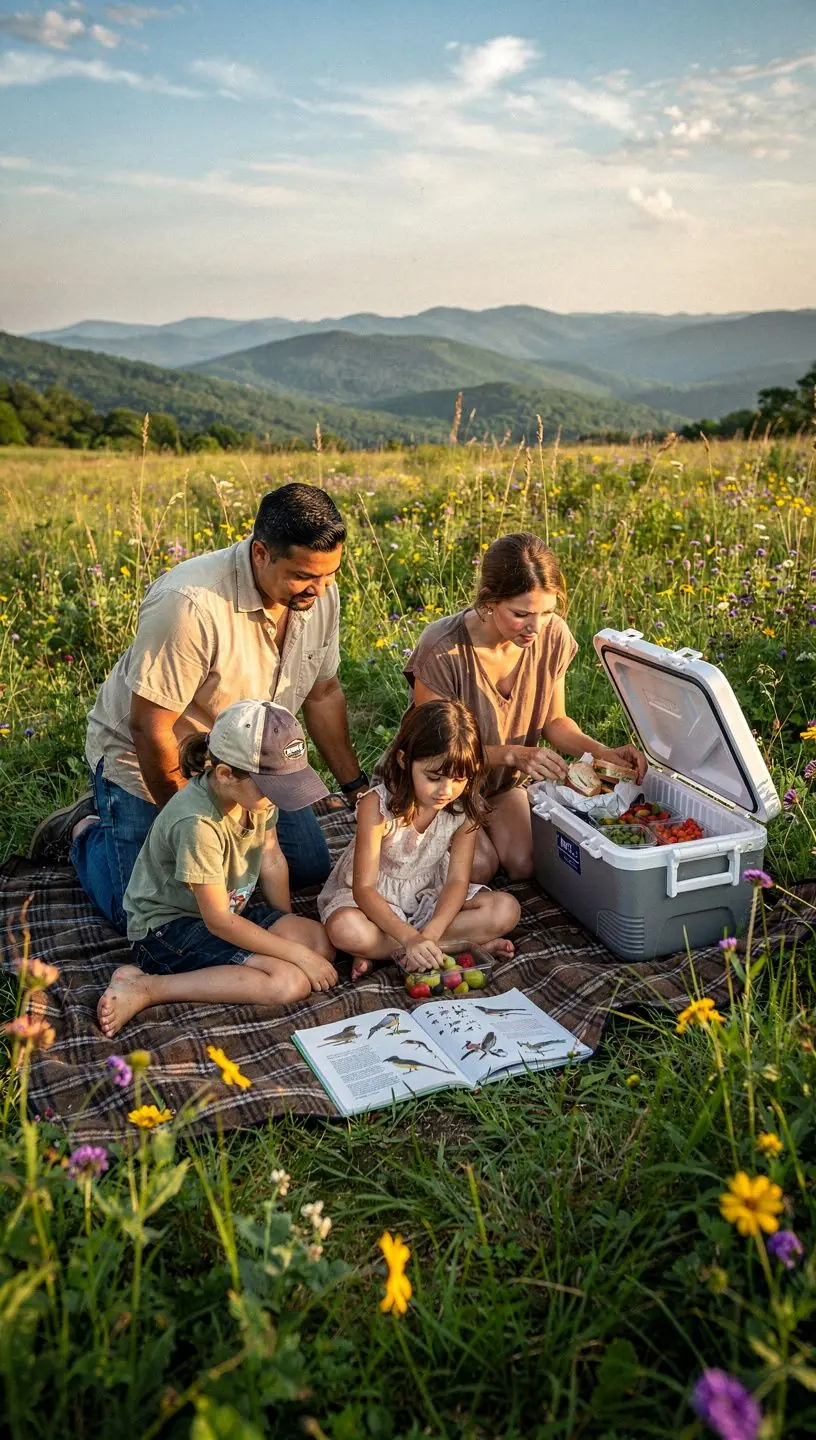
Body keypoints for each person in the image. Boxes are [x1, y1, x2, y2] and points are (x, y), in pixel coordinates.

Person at [31, 483, 371, 931]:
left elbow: (323, 694)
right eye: (305, 576)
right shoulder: (189, 603)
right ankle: (85, 830)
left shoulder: (320, 593)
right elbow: (149, 729)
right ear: (261, 554)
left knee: (307, 868)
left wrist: (357, 791)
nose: (320, 589)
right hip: (155, 760)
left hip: (252, 762)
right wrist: (195, 825)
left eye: (329, 575)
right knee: (141, 911)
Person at [403, 532, 647, 882]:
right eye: (521, 614)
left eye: (547, 612)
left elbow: (555, 722)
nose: (536, 627)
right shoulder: (442, 648)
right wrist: (513, 755)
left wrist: (602, 753)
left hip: (499, 785)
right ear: (488, 602)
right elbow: (438, 754)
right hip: (440, 786)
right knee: (477, 867)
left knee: (527, 862)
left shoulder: (553, 634)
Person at [97, 699, 338, 1039]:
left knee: (318, 942)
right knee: (289, 981)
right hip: (169, 930)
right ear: (225, 774)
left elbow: (270, 858)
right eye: (273, 788)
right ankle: (148, 987)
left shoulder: (256, 798)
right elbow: (218, 921)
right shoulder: (197, 823)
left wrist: (281, 925)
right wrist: (292, 955)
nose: (280, 797)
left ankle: (260, 958)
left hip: (223, 914)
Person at [318, 699, 521, 981]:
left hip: (429, 895)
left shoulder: (463, 808)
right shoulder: (376, 807)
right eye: (433, 777)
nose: (446, 790)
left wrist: (429, 934)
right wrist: (409, 937)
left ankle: (403, 951)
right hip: (374, 901)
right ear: (404, 761)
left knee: (506, 910)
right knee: (345, 930)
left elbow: (456, 881)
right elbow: (364, 889)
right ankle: (453, 946)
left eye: (459, 778)